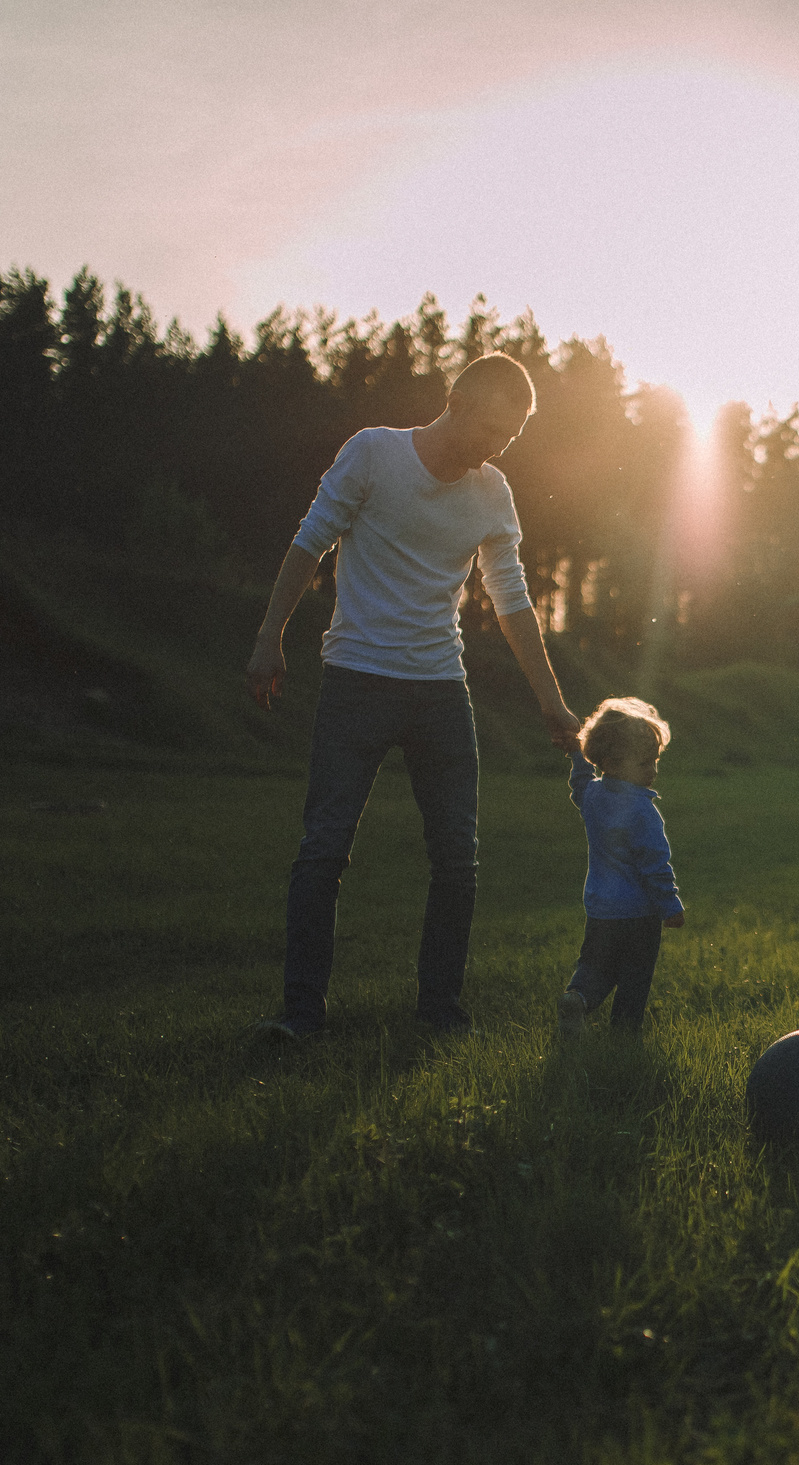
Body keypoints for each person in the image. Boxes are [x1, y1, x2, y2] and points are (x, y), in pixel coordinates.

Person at [245, 352, 580, 1040]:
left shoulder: (493, 492)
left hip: (439, 689)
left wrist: (551, 699)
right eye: (490, 428)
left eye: (510, 437)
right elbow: (310, 542)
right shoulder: (373, 453)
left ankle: (439, 1015)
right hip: (357, 680)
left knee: (458, 858)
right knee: (324, 849)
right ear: (455, 400)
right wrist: (269, 635)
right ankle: (301, 1014)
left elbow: (512, 598)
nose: (496, 447)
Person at [558, 697, 684, 1038]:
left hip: (600, 909)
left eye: (655, 761)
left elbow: (580, 783)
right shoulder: (644, 812)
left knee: (596, 965)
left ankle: (578, 998)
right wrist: (670, 906)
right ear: (612, 763)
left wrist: (574, 754)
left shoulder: (594, 798)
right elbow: (655, 865)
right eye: (644, 763)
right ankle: (625, 1035)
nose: (653, 771)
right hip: (640, 914)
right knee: (634, 974)